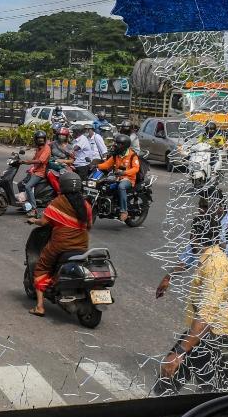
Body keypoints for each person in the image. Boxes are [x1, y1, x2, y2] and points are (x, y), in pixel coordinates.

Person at [153, 215, 228, 394]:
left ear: (195, 236)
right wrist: (169, 277)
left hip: (209, 335)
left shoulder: (215, 266)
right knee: (211, 391)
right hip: (209, 335)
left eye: (191, 233)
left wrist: (180, 352)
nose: (189, 237)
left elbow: (206, 315)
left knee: (166, 384)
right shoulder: (210, 258)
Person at [155, 187, 228, 298]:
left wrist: (217, 243)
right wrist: (168, 278)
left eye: (205, 206)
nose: (200, 210)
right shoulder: (204, 224)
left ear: (220, 207)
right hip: (205, 284)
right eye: (200, 206)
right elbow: (190, 254)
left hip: (225, 288)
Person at [27, 170, 93, 316]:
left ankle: (39, 307)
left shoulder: (58, 202)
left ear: (62, 186)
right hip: (82, 245)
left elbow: (44, 222)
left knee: (41, 268)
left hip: (60, 245)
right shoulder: (85, 204)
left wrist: (33, 220)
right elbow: (89, 226)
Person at [96, 134, 141, 223]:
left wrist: (124, 173)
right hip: (117, 177)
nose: (116, 145)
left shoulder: (132, 155)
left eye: (119, 144)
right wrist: (96, 165)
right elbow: (107, 164)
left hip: (128, 179)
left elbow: (136, 168)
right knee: (104, 185)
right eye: (116, 143)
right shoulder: (116, 155)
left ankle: (124, 211)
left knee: (121, 187)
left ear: (124, 145)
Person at [17, 129, 53, 216]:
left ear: (44, 139)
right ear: (36, 140)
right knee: (20, 184)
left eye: (42, 139)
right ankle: (26, 205)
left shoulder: (46, 148)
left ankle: (33, 209)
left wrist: (26, 162)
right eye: (39, 139)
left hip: (40, 173)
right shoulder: (38, 148)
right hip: (35, 171)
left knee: (28, 187)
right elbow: (34, 159)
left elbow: (40, 161)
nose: (40, 140)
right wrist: (25, 163)